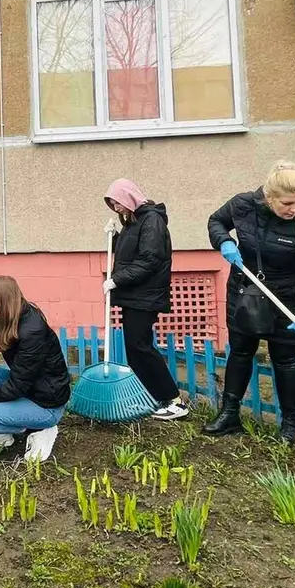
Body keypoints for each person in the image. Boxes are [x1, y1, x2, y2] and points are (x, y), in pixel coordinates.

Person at [203, 161, 295, 444]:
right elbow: (216, 221)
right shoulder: (243, 206)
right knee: (240, 352)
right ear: (269, 197)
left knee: (285, 360)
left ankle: (290, 426)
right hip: (245, 293)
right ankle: (230, 414)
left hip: (288, 300)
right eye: (288, 203)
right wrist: (224, 241)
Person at [0, 276, 71, 462]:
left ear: (4, 303)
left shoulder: (32, 331)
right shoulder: (9, 313)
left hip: (46, 403)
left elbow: (16, 386)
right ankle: (2, 435)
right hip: (30, 388)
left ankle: (44, 429)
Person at [103, 178, 188, 421]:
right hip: (135, 295)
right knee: (134, 348)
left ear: (129, 197)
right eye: (112, 204)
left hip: (145, 294)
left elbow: (149, 259)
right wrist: (114, 238)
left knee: (140, 347)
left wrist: (117, 279)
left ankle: (174, 400)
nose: (116, 208)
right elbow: (132, 251)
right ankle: (154, 397)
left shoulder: (152, 220)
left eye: (117, 202)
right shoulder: (135, 221)